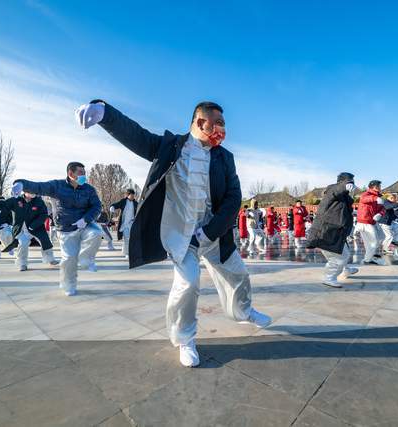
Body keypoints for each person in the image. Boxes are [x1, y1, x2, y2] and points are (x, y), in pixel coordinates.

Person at [76, 99, 271, 367]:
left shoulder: (225, 158)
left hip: (214, 233)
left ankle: (244, 311)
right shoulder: (171, 147)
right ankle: (185, 339)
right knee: (187, 284)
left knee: (238, 274)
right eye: (219, 124)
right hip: (182, 234)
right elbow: (137, 135)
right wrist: (105, 114)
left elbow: (233, 198)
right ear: (201, 122)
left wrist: (210, 232)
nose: (223, 130)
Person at [12, 161, 103, 296]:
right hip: (66, 228)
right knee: (69, 259)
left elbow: (97, 206)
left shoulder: (89, 189)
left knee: (96, 233)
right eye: (80, 173)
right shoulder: (57, 186)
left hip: (84, 224)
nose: (84, 175)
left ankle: (86, 259)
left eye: (84, 173)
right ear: (70, 173)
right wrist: (21, 183)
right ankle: (68, 285)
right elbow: (38, 186)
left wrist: (85, 220)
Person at [0, 192, 59, 271]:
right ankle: (22, 263)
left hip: (36, 227)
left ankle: (50, 259)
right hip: (21, 229)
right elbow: (2, 204)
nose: (32, 194)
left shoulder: (39, 201)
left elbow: (43, 214)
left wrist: (34, 225)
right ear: (25, 192)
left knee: (45, 241)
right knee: (23, 243)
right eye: (30, 191)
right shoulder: (16, 200)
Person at [305, 173, 358, 288]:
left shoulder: (343, 198)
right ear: (342, 182)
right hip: (327, 231)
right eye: (350, 181)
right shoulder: (331, 190)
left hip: (335, 231)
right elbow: (335, 189)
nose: (352, 184)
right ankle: (329, 278)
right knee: (338, 257)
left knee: (343, 254)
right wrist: (344, 186)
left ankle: (345, 270)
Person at [356, 180, 386, 265]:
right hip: (364, 222)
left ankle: (371, 253)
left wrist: (380, 214)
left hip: (372, 221)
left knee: (382, 237)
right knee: (373, 242)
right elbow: (364, 199)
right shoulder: (366, 194)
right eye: (379, 186)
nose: (380, 188)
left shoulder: (378, 196)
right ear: (375, 187)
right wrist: (376, 198)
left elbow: (383, 208)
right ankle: (368, 259)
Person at [110, 189, 138, 259]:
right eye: (131, 195)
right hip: (124, 224)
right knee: (126, 238)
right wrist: (112, 207)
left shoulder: (135, 203)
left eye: (133, 195)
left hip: (132, 223)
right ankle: (127, 253)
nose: (133, 197)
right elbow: (116, 204)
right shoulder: (123, 201)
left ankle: (128, 251)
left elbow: (140, 209)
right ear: (128, 195)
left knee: (131, 238)